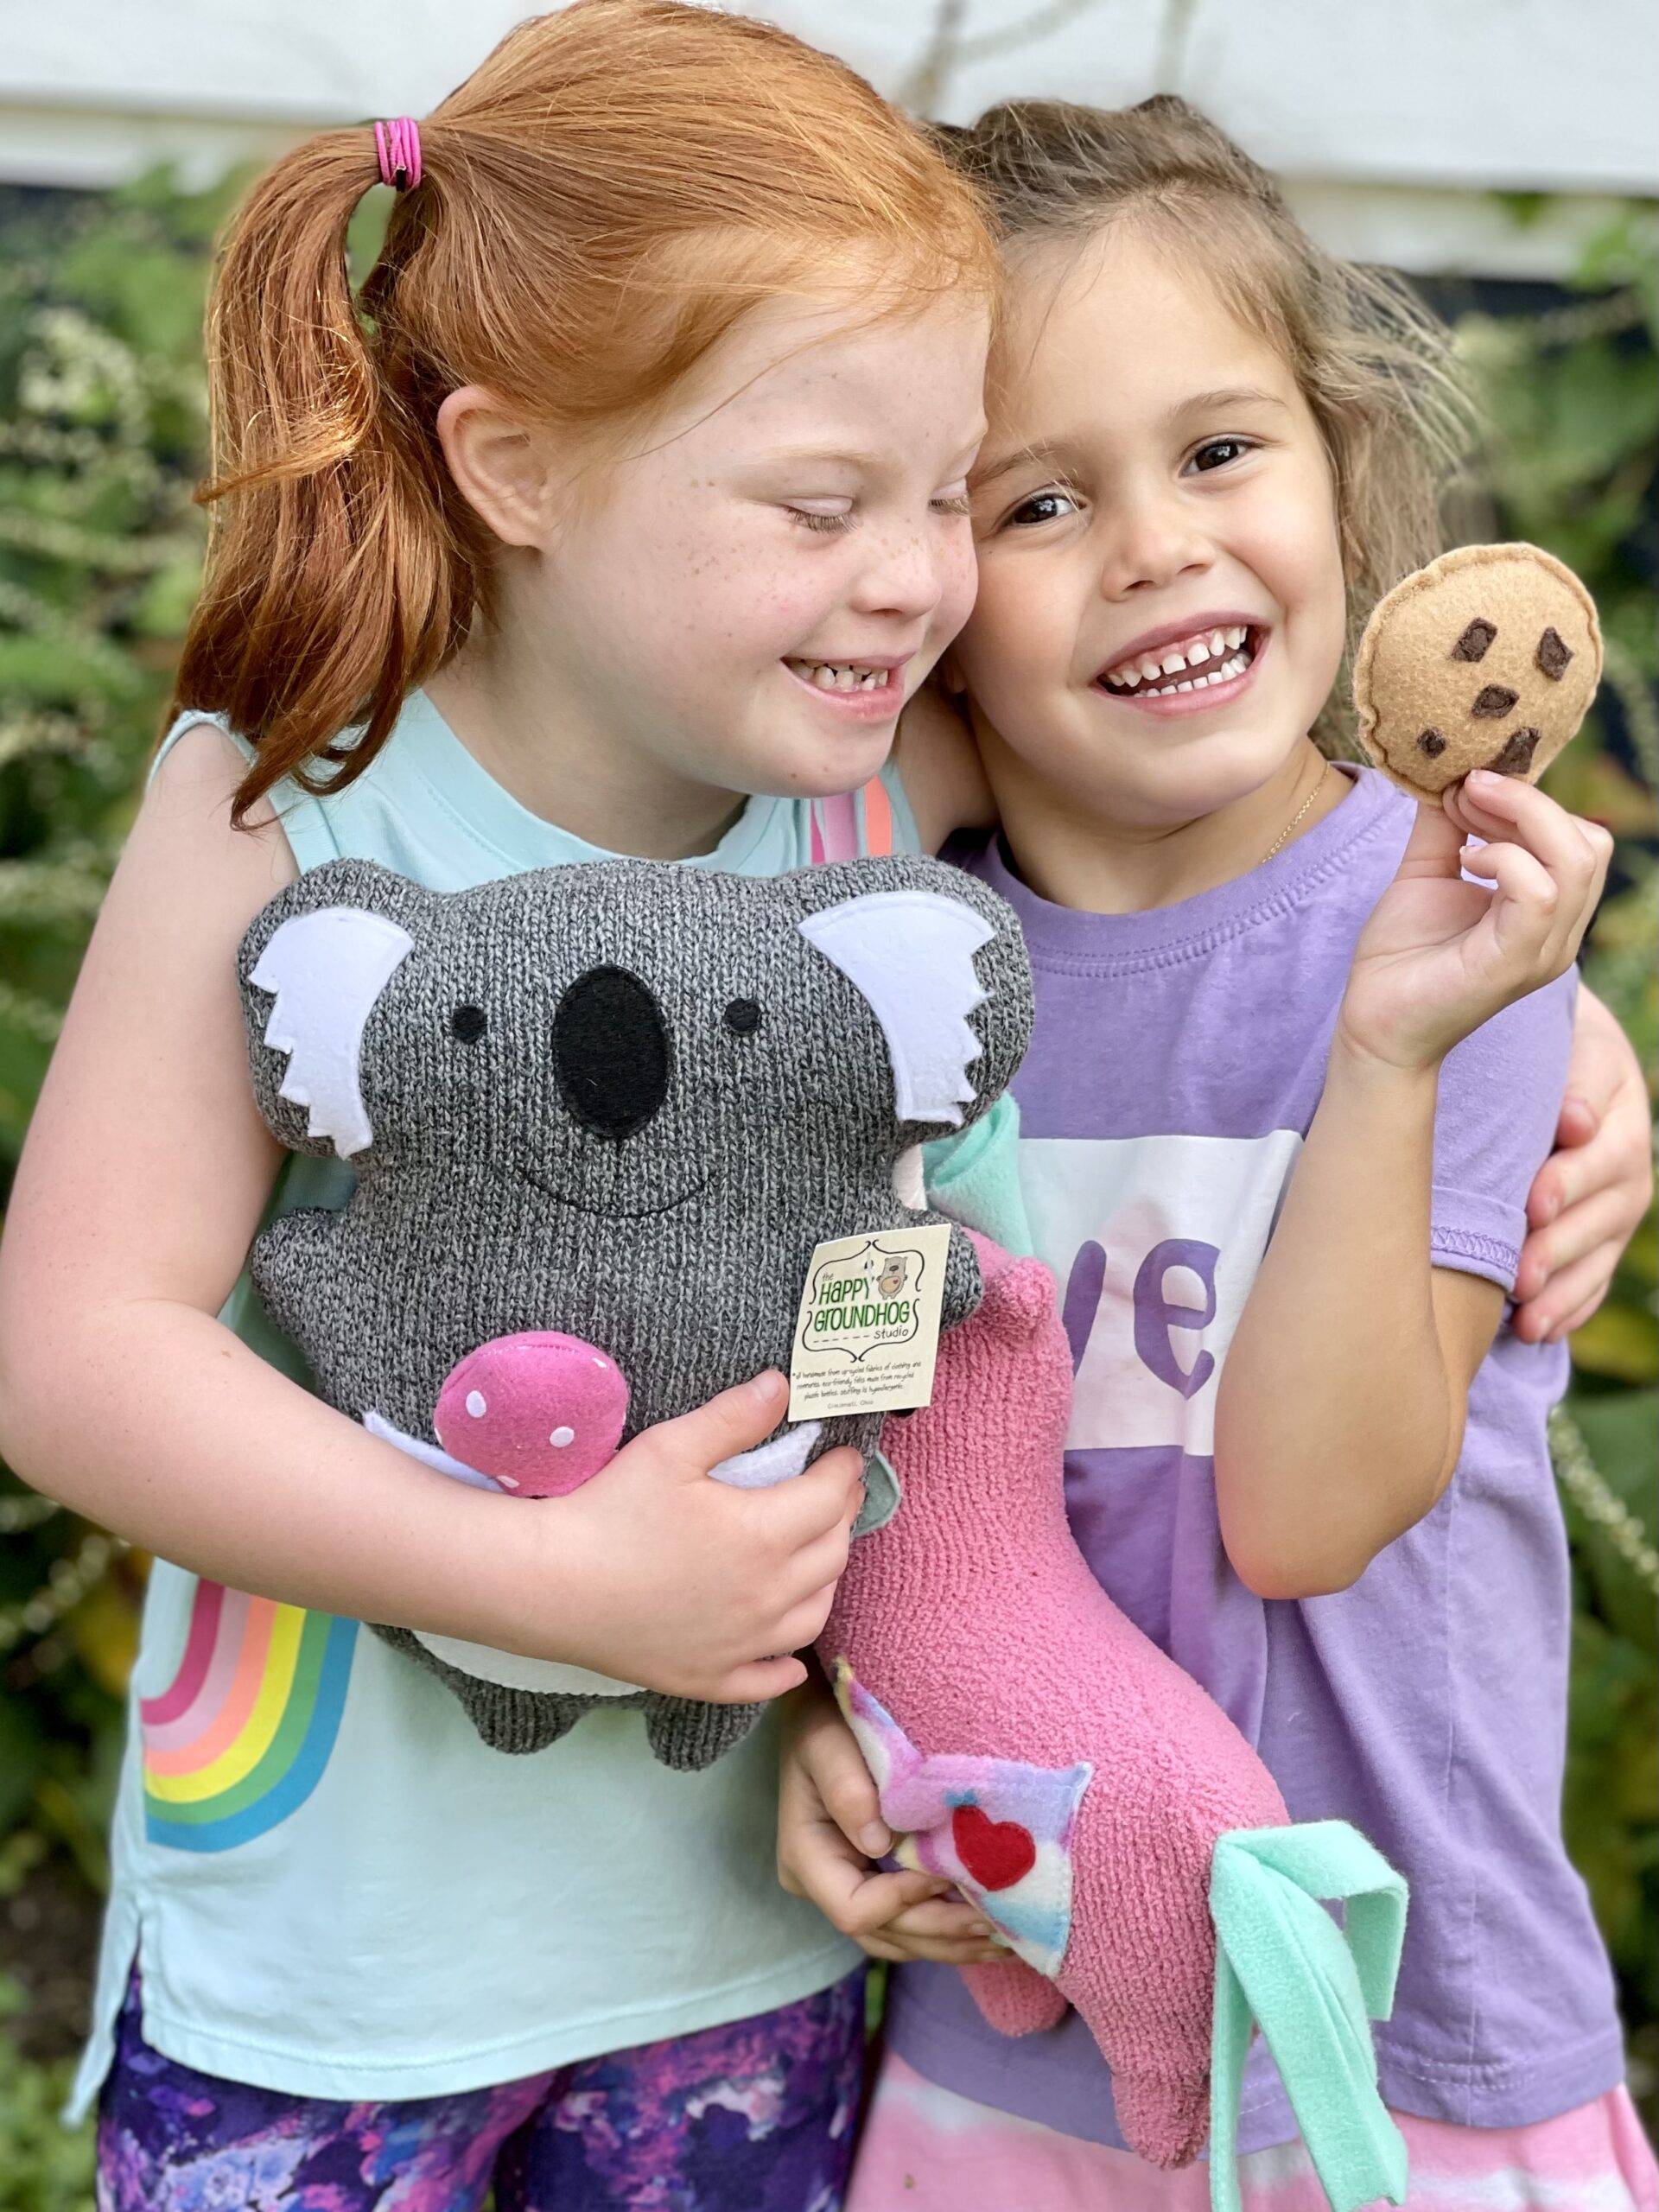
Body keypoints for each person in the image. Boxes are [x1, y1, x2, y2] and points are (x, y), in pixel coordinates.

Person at [0, 6, 1004, 2203]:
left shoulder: (883, 820)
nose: (921, 573)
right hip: (337, 1972)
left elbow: (1224, 875)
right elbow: (77, 1354)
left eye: (951, 489)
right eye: (823, 502)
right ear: (518, 466)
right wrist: (546, 1577)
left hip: (737, 1943)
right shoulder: (292, 805)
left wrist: (1539, 1044)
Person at [776, 96, 1659, 2211]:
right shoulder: (886, 991)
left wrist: (1391, 1050)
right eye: (1040, 499)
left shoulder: (1456, 940)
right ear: (924, 584)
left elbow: (1306, 1511)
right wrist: (822, 1725)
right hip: (1009, 2036)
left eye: (1219, 450)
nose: (1158, 545)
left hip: (1397, 2046)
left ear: (1344, 470)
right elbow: (856, 1457)